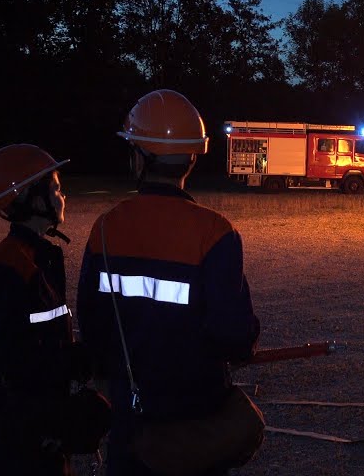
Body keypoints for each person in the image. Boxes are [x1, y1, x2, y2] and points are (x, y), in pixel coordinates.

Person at [78, 89, 263, 476]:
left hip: (132, 413)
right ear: (192, 158)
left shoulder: (107, 229)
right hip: (196, 414)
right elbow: (235, 334)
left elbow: (92, 323)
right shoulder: (215, 232)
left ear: (138, 157)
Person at [0, 144, 104, 475]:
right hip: (23, 431)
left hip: (37, 422)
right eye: (56, 188)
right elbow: (12, 362)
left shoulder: (35, 257)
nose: (63, 197)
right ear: (31, 196)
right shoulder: (9, 269)